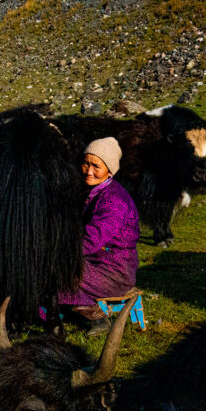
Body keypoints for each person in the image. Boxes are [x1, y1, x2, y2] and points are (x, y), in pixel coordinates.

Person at [51, 137, 140, 336]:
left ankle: (97, 316)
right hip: (96, 262)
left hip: (115, 270)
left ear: (110, 170)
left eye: (96, 166)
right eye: (85, 163)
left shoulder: (114, 201)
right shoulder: (94, 192)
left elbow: (92, 239)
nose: (88, 171)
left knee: (59, 275)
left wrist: (59, 253)